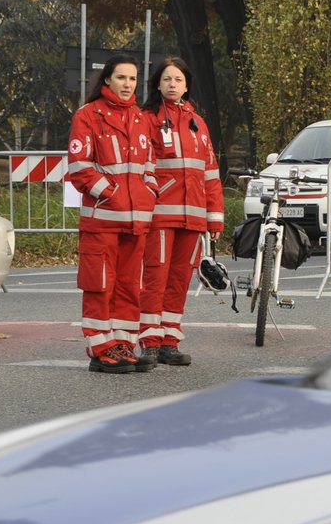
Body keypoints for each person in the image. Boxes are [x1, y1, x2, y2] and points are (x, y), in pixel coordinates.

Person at [66, 54, 158, 374]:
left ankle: (122, 344)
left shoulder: (140, 117)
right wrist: (113, 195)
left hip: (136, 221)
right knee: (99, 285)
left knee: (129, 285)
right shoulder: (87, 115)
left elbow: (149, 166)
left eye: (132, 79)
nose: (127, 84)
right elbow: (80, 169)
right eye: (121, 78)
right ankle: (100, 348)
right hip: (103, 219)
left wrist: (148, 193)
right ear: (107, 80)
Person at [138, 56, 224, 366]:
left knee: (178, 281)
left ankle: (169, 341)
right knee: (155, 278)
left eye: (178, 80)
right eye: (167, 79)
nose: (172, 84)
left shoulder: (197, 123)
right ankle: (149, 340)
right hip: (160, 216)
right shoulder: (146, 119)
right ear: (157, 85)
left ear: (186, 85)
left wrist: (214, 217)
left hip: (193, 217)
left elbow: (210, 173)